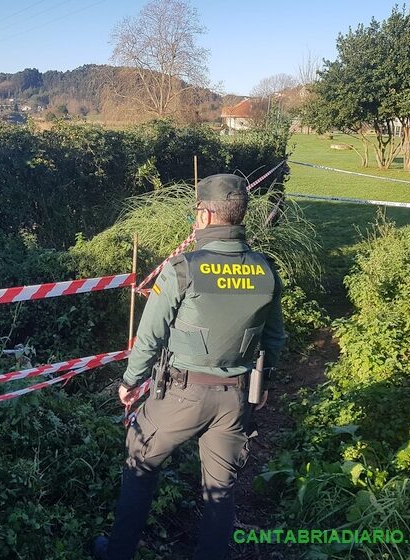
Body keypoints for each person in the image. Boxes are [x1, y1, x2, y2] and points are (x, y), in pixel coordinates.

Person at [93, 174, 287, 560]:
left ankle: (117, 553)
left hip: (180, 395)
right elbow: (274, 338)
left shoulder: (183, 268)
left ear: (204, 214)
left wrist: (131, 381)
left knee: (139, 463)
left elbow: (149, 336)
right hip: (235, 398)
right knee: (221, 492)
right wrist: (263, 386)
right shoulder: (266, 270)